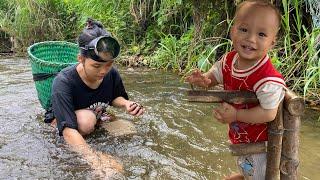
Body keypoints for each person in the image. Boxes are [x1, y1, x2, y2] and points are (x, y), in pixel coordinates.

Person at [186, 1, 286, 179]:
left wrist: (236, 116)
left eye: (261, 34)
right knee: (247, 171)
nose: (251, 38)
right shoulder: (229, 60)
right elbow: (214, 76)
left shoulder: (267, 79)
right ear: (233, 30)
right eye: (244, 30)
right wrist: (204, 80)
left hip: (261, 147)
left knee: (258, 175)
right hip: (242, 140)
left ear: (272, 42)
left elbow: (269, 113)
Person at [50, 18, 144, 176]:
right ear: (81, 59)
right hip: (69, 120)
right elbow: (68, 130)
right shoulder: (63, 82)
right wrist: (96, 160)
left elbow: (115, 97)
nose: (103, 71)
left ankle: (95, 124)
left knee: (129, 131)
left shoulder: (111, 73)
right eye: (96, 66)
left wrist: (126, 104)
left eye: (108, 65)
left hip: (99, 113)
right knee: (86, 123)